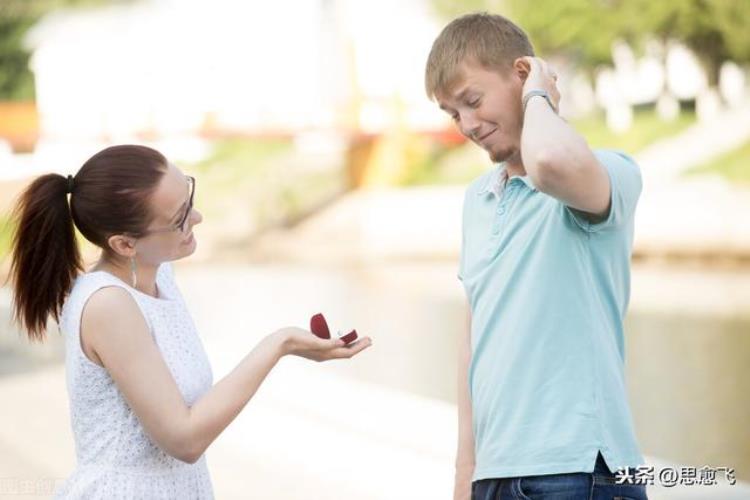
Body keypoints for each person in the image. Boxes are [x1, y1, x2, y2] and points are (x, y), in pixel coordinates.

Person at [8, 144, 372, 499]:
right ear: (124, 245)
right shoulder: (108, 304)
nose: (197, 219)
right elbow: (184, 438)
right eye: (180, 218)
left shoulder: (161, 277)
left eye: (190, 200)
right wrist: (281, 344)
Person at [425, 13, 648, 500]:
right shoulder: (478, 199)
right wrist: (466, 475)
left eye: (473, 101)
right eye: (452, 112)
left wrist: (539, 95)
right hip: (496, 475)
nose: (466, 124)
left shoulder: (609, 172)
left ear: (523, 74)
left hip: (580, 469)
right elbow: (474, 340)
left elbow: (548, 163)